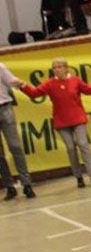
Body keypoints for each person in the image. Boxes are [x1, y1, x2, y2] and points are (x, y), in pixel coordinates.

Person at [18, 58, 91, 188]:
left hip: (78, 118)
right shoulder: (50, 84)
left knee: (83, 144)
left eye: (60, 67)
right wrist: (23, 86)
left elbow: (89, 90)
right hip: (61, 121)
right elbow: (34, 94)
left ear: (66, 68)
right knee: (71, 148)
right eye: (54, 67)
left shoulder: (75, 80)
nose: (57, 69)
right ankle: (78, 177)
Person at [0, 63, 35, 200]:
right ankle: (9, 185)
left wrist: (21, 84)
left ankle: (26, 183)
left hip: (4, 107)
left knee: (15, 146)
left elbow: (11, 80)